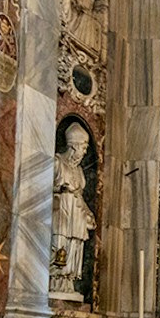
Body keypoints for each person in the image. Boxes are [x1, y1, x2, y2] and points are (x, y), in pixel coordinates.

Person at [51, 121, 97, 296]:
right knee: (58, 245)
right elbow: (41, 188)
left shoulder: (79, 171)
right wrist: (60, 189)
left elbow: (80, 195)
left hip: (75, 215)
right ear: (73, 146)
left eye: (86, 148)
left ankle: (66, 284)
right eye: (83, 147)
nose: (85, 152)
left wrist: (87, 213)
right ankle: (54, 282)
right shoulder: (57, 163)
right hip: (60, 212)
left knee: (74, 247)